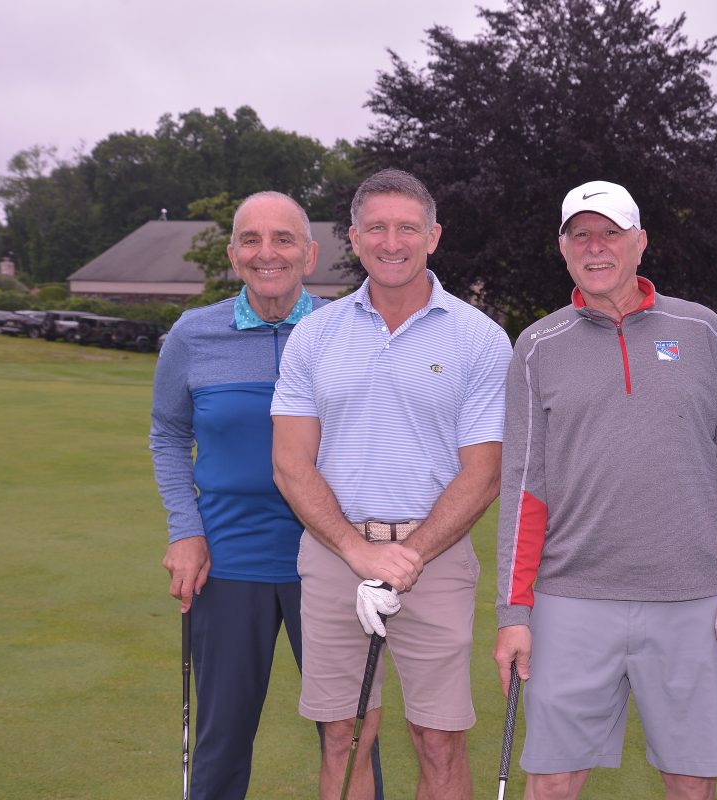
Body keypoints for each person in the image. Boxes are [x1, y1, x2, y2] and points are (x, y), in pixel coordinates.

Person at [493, 180, 717, 800]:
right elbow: (524, 491)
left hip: (692, 597)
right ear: (563, 249)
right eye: (580, 235)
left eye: (610, 234)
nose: (596, 247)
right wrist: (514, 615)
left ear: (640, 242)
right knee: (552, 781)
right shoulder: (537, 346)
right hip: (571, 598)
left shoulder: (701, 330)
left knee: (690, 781)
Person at [270, 168, 511, 800]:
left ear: (434, 236)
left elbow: (484, 471)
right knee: (343, 736)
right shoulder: (314, 334)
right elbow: (290, 464)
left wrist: (408, 556)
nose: (392, 241)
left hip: (437, 559)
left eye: (408, 227)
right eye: (375, 228)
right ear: (354, 238)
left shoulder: (480, 338)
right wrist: (359, 551)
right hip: (334, 556)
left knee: (439, 739)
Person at [152, 191, 386, 798]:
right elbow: (169, 434)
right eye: (251, 240)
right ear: (233, 255)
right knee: (223, 739)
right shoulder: (193, 335)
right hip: (228, 562)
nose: (267, 253)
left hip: (335, 561)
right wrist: (185, 530)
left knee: (351, 737)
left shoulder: (350, 329)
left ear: (310, 254)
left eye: (283, 239)